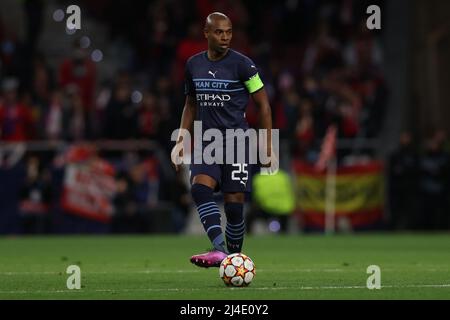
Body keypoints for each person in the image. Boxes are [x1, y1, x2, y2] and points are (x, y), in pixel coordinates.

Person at [171, 12, 274, 268]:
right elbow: (190, 104)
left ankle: (234, 259)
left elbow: (263, 105)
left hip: (237, 143)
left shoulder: (244, 65)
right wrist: (181, 139)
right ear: (206, 33)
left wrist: (267, 143)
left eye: (228, 32)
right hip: (207, 141)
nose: (225, 37)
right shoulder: (193, 65)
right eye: (219, 32)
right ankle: (218, 249)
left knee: (235, 208)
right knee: (199, 188)